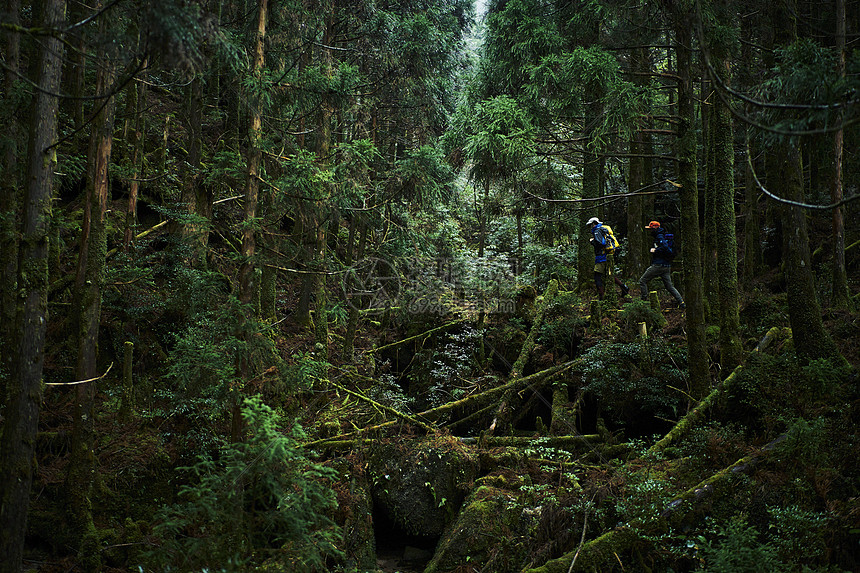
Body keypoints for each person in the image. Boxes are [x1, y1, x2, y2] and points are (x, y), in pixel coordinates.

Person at [639, 220, 684, 308]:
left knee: (642, 280)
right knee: (669, 286)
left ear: (655, 228)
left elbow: (665, 248)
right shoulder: (661, 235)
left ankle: (643, 303)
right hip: (666, 266)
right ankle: (681, 302)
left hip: (658, 265)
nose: (650, 231)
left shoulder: (660, 236)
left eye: (651, 228)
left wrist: (655, 250)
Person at [587, 217, 629, 300]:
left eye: (590, 225)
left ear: (593, 223)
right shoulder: (604, 229)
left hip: (601, 256)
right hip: (608, 255)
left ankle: (601, 297)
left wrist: (592, 241)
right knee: (608, 274)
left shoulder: (597, 231)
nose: (590, 227)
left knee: (597, 276)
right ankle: (624, 287)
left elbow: (601, 243)